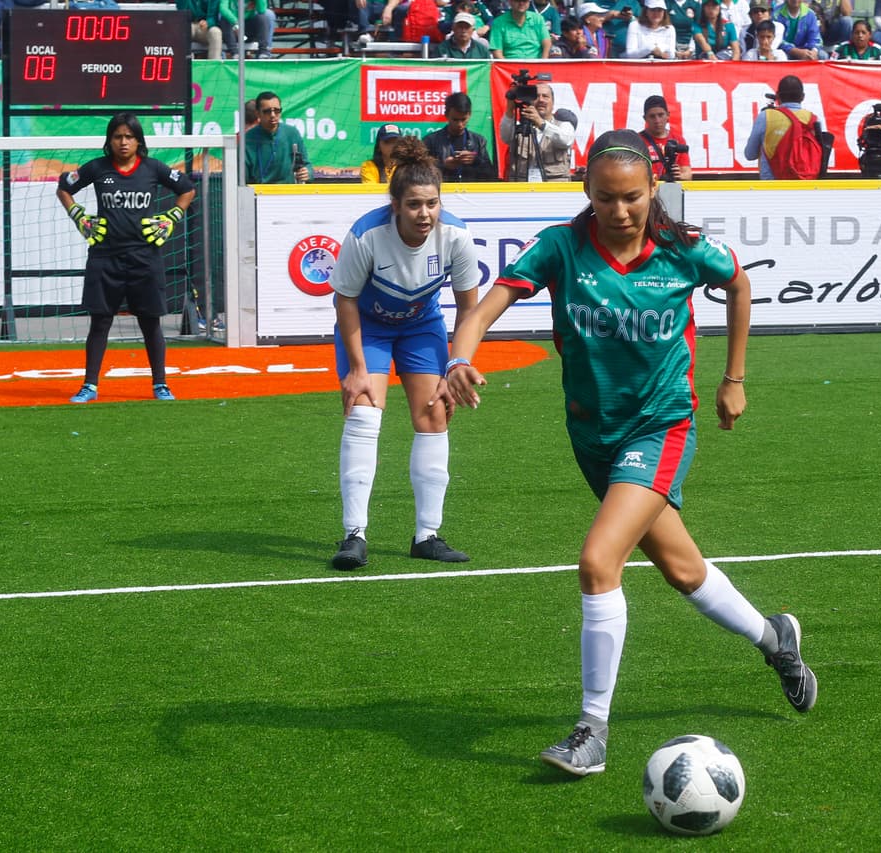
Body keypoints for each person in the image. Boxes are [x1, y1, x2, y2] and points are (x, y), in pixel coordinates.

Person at [442, 128, 818, 776]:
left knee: (597, 560)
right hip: (593, 436)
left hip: (660, 427)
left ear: (654, 191)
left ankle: (592, 730)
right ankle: (775, 637)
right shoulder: (561, 248)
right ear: (586, 190)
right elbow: (486, 307)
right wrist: (458, 357)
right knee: (683, 570)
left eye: (633, 198)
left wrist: (734, 378)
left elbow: (739, 285)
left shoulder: (684, 249)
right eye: (606, 198)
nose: (619, 211)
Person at [328, 136, 479, 570]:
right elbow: (345, 301)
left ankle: (426, 535)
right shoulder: (366, 234)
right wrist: (358, 368)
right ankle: (354, 534)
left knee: (433, 414)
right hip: (368, 327)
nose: (425, 213)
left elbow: (469, 309)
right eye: (414, 204)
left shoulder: (457, 236)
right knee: (364, 410)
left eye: (432, 203)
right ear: (395, 204)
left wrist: (457, 364)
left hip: (419, 326)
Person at [57, 113, 197, 404]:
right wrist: (78, 217)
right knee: (100, 322)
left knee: (150, 322)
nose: (123, 142)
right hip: (105, 257)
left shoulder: (153, 168)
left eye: (129, 137)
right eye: (118, 136)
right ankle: (89, 385)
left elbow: (187, 190)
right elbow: (64, 188)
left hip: (144, 258)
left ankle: (160, 384)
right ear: (109, 140)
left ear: (138, 140)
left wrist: (172, 217)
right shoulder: (97, 168)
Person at [499, 82, 578, 181]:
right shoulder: (520, 126)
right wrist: (510, 108)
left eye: (545, 96)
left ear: (553, 103)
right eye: (536, 96)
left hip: (555, 187)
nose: (541, 100)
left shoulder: (563, 125)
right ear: (529, 100)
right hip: (523, 187)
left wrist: (541, 123)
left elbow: (566, 140)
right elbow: (505, 137)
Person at [743, 74, 816, 178]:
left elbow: (750, 154)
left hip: (772, 187)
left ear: (778, 96)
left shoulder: (765, 117)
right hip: (805, 185)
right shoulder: (813, 119)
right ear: (802, 97)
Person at [423, 92, 497, 181]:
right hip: (442, 191)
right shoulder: (431, 141)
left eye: (463, 119)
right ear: (446, 115)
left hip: (471, 192)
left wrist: (476, 161)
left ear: (469, 115)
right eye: (455, 120)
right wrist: (443, 165)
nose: (459, 124)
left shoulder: (479, 141)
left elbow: (491, 175)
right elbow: (420, 172)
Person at [245, 91, 310, 184]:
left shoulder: (292, 133)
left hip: (288, 193)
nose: (272, 115)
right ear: (258, 113)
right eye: (267, 111)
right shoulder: (248, 139)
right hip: (259, 193)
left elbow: (306, 164)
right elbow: (242, 177)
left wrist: (307, 172)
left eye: (276, 110)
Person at [640, 95, 693, 181]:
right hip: (647, 189)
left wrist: (679, 176)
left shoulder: (678, 140)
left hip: (672, 189)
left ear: (668, 115)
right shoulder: (638, 140)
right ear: (645, 118)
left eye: (660, 115)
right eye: (652, 116)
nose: (657, 120)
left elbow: (688, 175)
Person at [488, 0, 552, 58]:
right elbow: (497, 52)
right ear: (510, 2)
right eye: (517, 0)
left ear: (529, 2)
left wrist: (542, 62)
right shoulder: (498, 23)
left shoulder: (538, 19)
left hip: (536, 65)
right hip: (510, 66)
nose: (521, 3)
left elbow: (547, 43)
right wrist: (507, 68)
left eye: (525, 1)